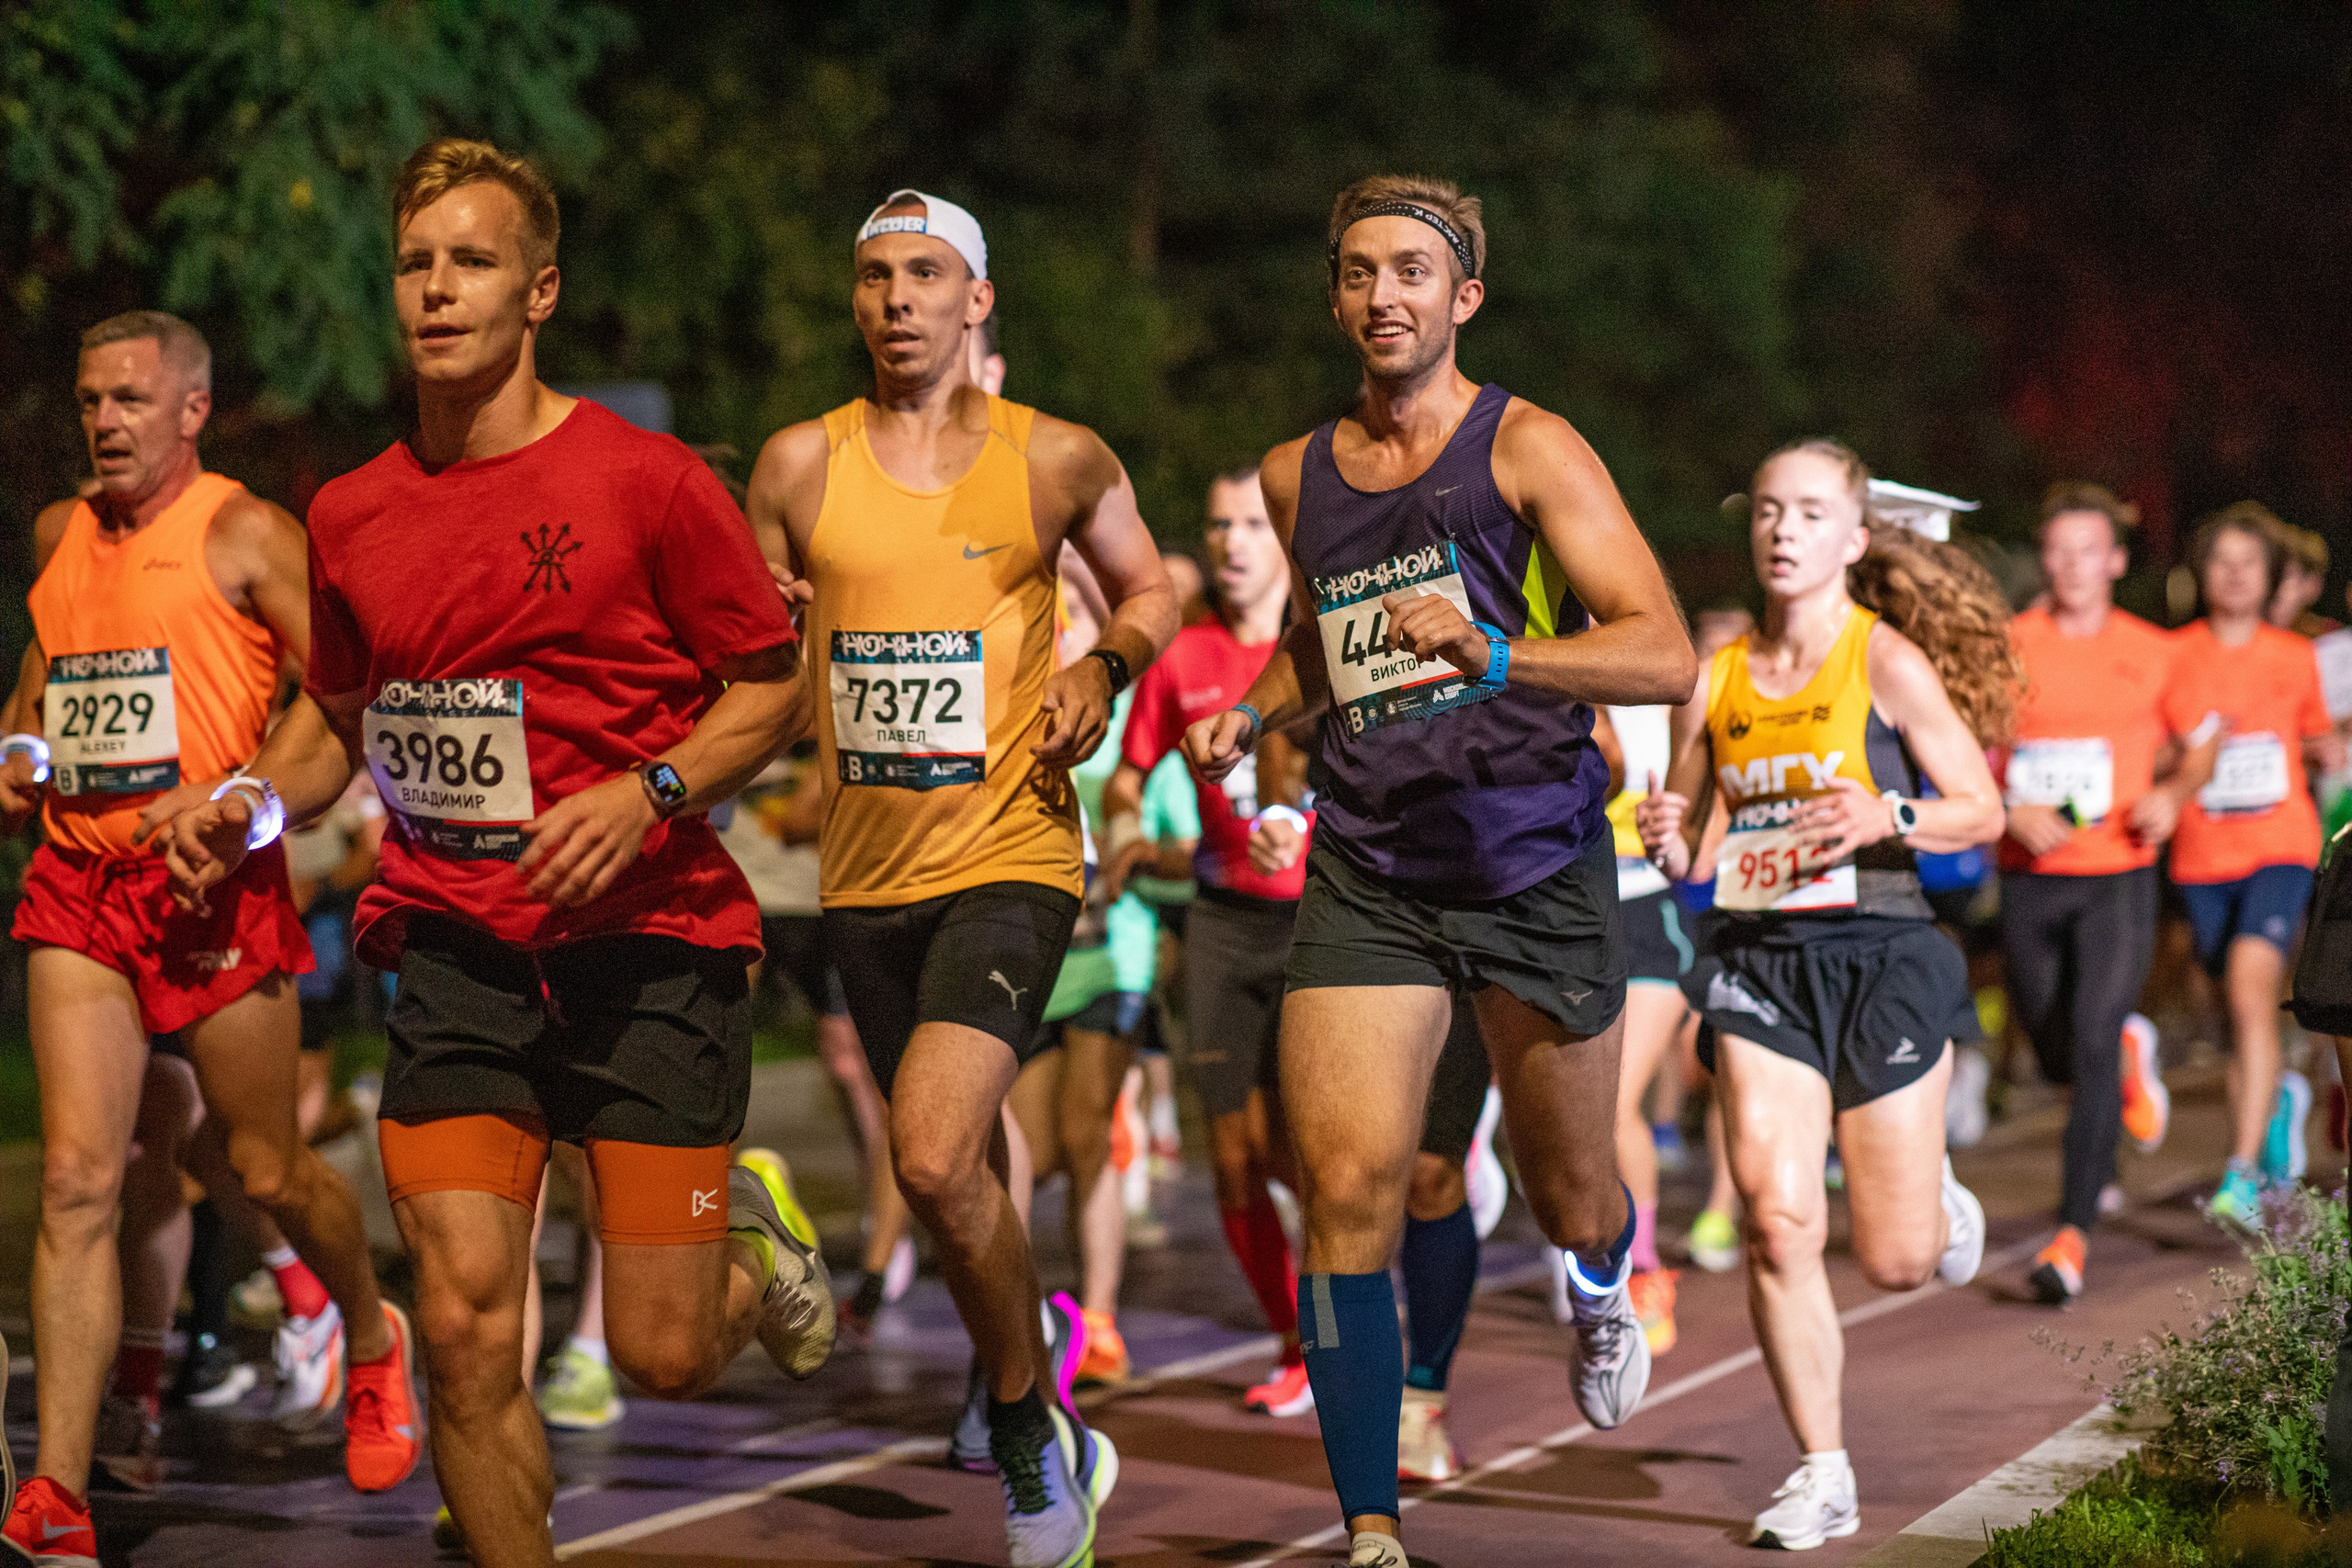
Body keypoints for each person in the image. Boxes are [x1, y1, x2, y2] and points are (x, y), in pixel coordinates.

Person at [158, 139, 832, 1568]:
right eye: (415, 262)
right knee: (465, 1330)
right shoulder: (352, 510)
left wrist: (650, 791)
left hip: (648, 943)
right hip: (457, 945)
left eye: (472, 261)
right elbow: (339, 719)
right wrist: (248, 801)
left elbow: (774, 687)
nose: (437, 288)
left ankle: (755, 1247)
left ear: (540, 291)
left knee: (662, 1352)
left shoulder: (648, 481)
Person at [1183, 175, 1697, 1568]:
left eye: (1411, 270)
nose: (1382, 295)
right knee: (1346, 1187)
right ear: (1334, 295)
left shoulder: (1530, 449)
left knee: (1567, 1187)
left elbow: (1662, 652)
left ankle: (1602, 1272)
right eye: (1358, 271)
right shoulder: (1295, 472)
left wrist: (1498, 653)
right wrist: (1256, 710)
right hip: (1373, 867)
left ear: (1463, 296)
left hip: (1532, 860)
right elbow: (1320, 638)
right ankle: (1371, 1527)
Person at [748, 187, 1176, 1568]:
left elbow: (1151, 590)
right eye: (876, 275)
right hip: (864, 875)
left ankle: (1021, 1420)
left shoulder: (1053, 456)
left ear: (977, 299)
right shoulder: (797, 467)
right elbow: (756, 658)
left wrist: (1102, 667)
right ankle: (1031, 1377)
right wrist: (755, 632)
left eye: (926, 273)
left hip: (1013, 853)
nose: (898, 299)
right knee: (959, 1175)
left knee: (929, 1150)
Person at [0, 311, 419, 1562]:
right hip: (82, 883)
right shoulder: (59, 533)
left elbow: (344, 696)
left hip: (213, 890)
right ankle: (59, 1487)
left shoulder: (246, 532)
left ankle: (370, 1333)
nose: (104, 421)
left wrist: (245, 801)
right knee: (80, 1176)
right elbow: (40, 686)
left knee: (266, 1167)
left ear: (192, 409)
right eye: (90, 399)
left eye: (130, 398)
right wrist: (19, 751)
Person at [1638, 439, 2007, 1549]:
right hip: (1759, 964)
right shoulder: (1716, 678)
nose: (1782, 530)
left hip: (1880, 954)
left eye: (1807, 513)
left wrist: (1887, 815)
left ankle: (1934, 1194)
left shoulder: (1881, 659)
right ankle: (1821, 1469)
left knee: (1895, 1261)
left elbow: (1980, 807)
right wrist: (1668, 837)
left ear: (1852, 539)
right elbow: (1696, 849)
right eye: (1766, 511)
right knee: (1777, 1220)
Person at [1105, 463, 1319, 1420]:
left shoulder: (1322, 648)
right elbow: (1126, 777)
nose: (1231, 542)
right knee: (1235, 1160)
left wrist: (1309, 828)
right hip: (1223, 922)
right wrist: (1123, 833)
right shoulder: (1184, 656)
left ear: (1286, 542)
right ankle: (1295, 1340)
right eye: (1218, 525)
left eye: (1251, 525)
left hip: (1324, 922)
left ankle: (1347, 1326)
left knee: (1308, 1157)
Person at [1999, 483, 2217, 1303]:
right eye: (2058, 550)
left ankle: (2071, 1231)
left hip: (2118, 871)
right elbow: (1970, 744)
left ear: (2116, 561)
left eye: (2088, 550)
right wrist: (2009, 806)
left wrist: (2176, 792)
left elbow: (2202, 741)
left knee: (2090, 1040)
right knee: (2052, 1044)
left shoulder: (2155, 650)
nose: (2072, 565)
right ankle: (2128, 1056)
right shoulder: (2010, 644)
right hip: (2027, 871)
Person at [2165, 504, 2344, 1224]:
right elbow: (2151, 749)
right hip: (2201, 852)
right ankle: (2273, 1112)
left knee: (2250, 986)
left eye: (2250, 563)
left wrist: (2323, 749)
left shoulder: (2293, 655)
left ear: (2269, 577)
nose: (2236, 574)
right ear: (2201, 572)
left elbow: (2317, 736)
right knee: (2230, 1014)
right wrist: (2191, 757)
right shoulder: (2173, 655)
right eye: (2223, 561)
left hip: (2279, 846)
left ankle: (2239, 1173)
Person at [1593, 702, 1695, 1354]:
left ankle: (1645, 1269)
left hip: (1648, 918)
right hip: (1569, 919)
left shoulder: (1670, 698)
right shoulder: (1547, 679)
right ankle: (1592, 1246)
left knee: (1613, 1103)